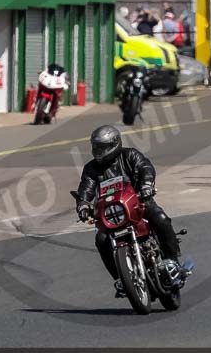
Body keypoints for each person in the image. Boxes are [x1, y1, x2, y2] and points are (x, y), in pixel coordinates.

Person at [76, 125, 182, 297]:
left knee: (160, 218)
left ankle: (172, 260)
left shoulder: (130, 155)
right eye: (95, 147)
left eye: (102, 147)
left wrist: (146, 184)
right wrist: (83, 204)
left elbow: (145, 167)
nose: (98, 151)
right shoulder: (91, 168)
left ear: (114, 144)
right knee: (101, 239)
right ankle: (120, 279)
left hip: (138, 202)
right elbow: (86, 187)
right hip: (111, 212)